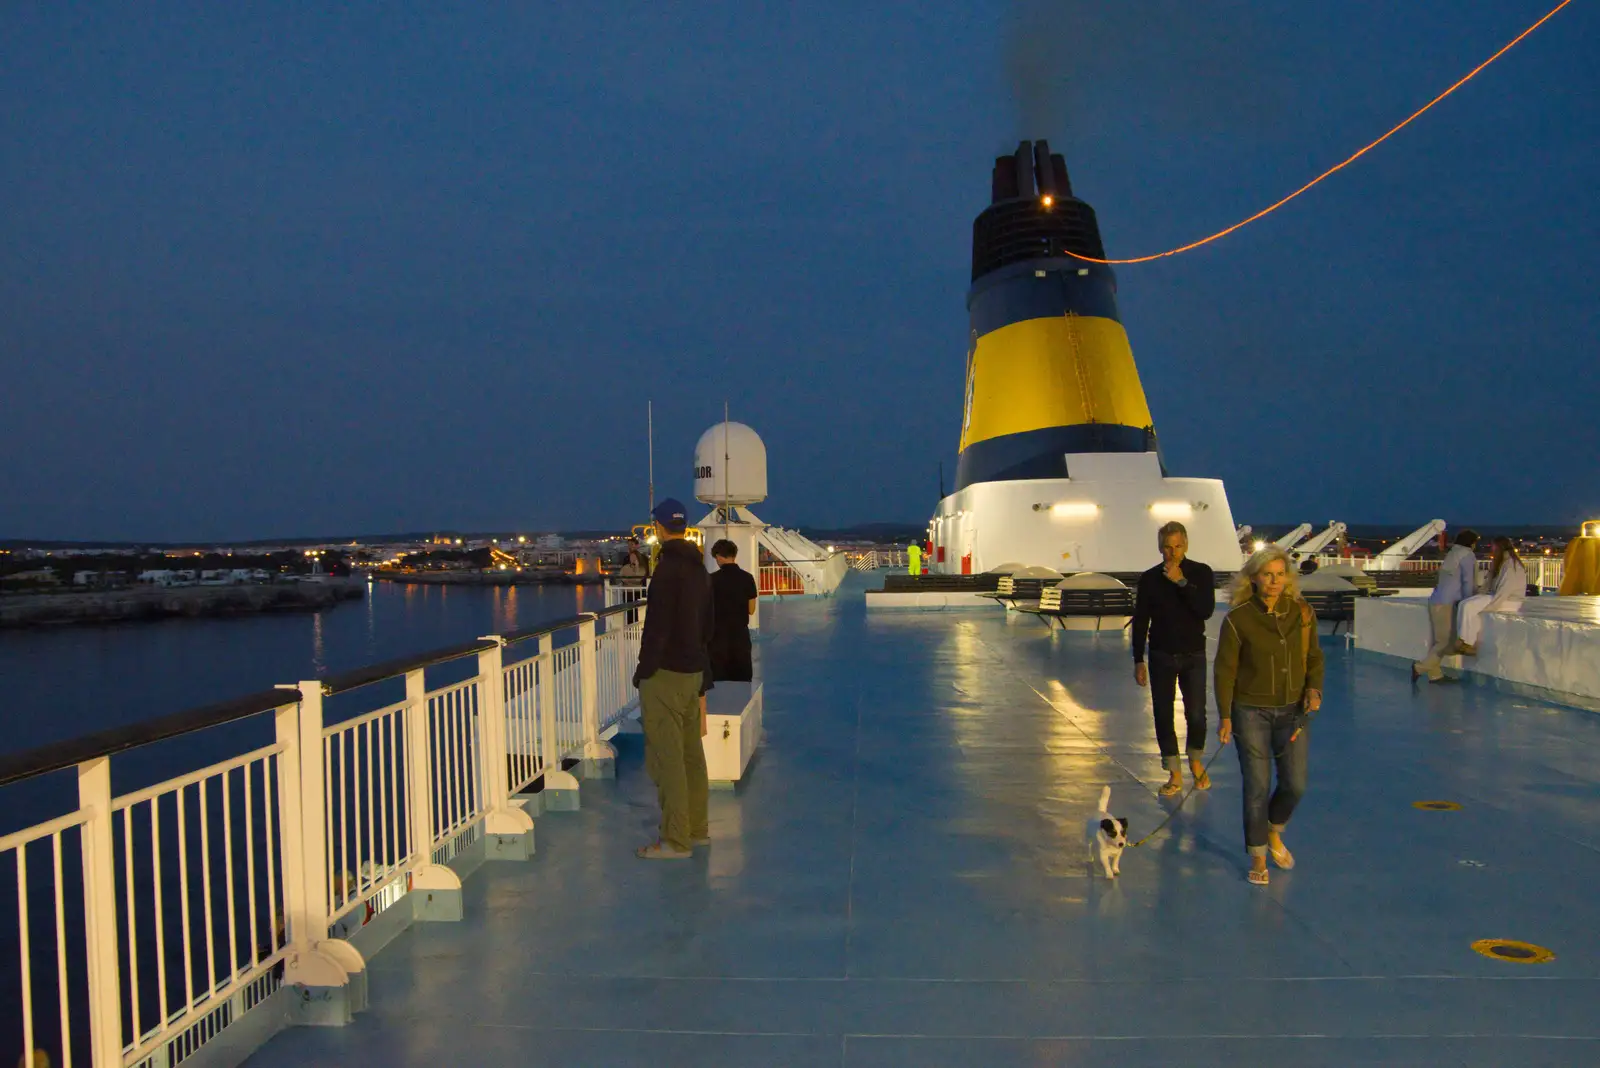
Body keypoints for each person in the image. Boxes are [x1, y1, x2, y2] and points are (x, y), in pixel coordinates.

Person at [1215, 546, 1324, 887]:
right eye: (1267, 575)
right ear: (1255, 579)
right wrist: (1225, 716)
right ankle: (1258, 855)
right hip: (1250, 712)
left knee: (1295, 783)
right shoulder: (1239, 619)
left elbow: (1315, 658)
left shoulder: (1302, 613)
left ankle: (1275, 831)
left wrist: (1314, 689)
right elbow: (1225, 671)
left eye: (1280, 574)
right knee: (1258, 785)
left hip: (1293, 712)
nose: (1274, 581)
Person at [630, 498, 713, 860]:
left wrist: (643, 672)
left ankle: (676, 841)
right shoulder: (699, 569)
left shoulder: (667, 570)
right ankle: (697, 830)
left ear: (660, 528)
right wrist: (703, 679)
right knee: (692, 756)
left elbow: (657, 629)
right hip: (692, 672)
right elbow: (706, 628)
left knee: (667, 760)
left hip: (665, 674)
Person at [1131, 521, 1216, 796]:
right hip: (1161, 654)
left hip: (1194, 654)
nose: (1173, 552)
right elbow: (1141, 619)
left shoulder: (1201, 573)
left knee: (1196, 713)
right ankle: (1174, 771)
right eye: (1168, 547)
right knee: (1163, 714)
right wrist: (1138, 659)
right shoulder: (1149, 579)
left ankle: (1195, 760)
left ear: (1186, 545)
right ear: (1160, 548)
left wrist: (1181, 582)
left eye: (1178, 546)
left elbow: (1205, 611)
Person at [1412, 529, 1480, 682]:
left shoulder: (1453, 553)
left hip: (1436, 600)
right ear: (1472, 542)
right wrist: (1470, 601)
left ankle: (1435, 675)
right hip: (1447, 603)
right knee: (1444, 642)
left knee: (1439, 640)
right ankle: (1419, 668)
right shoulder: (1467, 555)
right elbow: (1468, 582)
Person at [1456, 536, 1527, 654]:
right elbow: (1488, 584)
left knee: (1470, 606)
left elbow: (1505, 590)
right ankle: (1462, 639)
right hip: (1498, 596)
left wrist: (1491, 607)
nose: (1492, 550)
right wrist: (1477, 595)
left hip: (1510, 601)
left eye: (1493, 548)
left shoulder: (1511, 565)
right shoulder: (1500, 563)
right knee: (1464, 604)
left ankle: (1468, 642)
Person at [708, 538, 758, 681]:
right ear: (734, 555)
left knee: (718, 681)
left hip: (717, 638)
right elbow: (751, 609)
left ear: (718, 557)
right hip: (740, 637)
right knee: (742, 682)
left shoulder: (711, 579)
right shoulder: (747, 578)